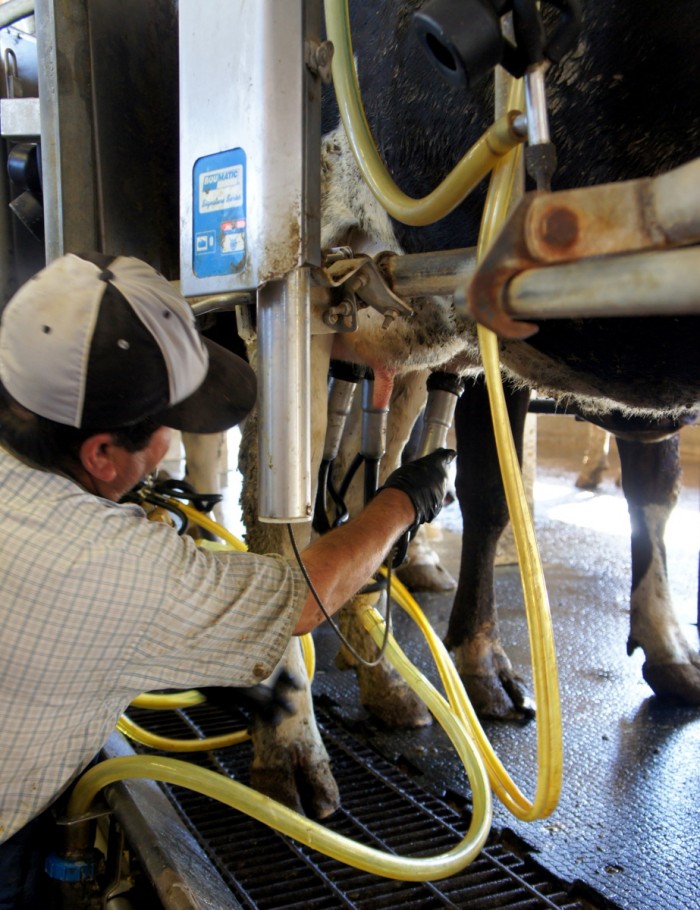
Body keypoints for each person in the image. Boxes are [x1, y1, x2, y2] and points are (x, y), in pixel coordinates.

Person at [0, 251, 455, 907]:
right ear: (101, 454)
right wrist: (405, 500)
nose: (171, 444)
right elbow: (302, 600)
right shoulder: (109, 564)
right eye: (167, 428)